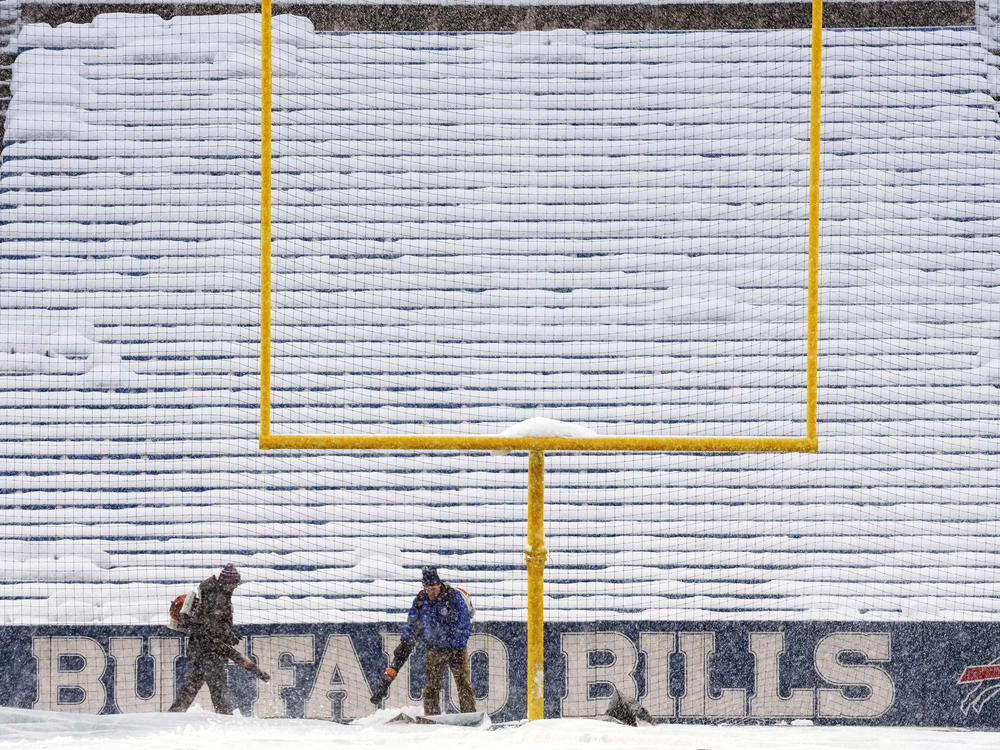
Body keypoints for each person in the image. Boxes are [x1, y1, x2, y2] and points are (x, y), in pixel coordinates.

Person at [370, 566, 475, 715]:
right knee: (431, 686)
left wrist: (458, 646)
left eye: (434, 588)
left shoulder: (453, 597)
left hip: (455, 648)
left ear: (439, 585)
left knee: (463, 684)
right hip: (434, 649)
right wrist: (405, 641)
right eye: (428, 588)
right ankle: (432, 716)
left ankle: (468, 714)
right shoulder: (420, 601)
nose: (431, 592)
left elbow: (463, 623)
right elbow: (412, 625)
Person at [168, 564, 269, 714]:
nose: (235, 587)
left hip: (200, 650)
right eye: (234, 584)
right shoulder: (216, 598)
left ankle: (173, 716)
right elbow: (210, 629)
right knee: (219, 691)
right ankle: (225, 719)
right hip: (209, 653)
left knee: (190, 689)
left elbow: (213, 625)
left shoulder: (214, 593)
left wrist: (228, 634)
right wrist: (224, 641)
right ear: (227, 582)